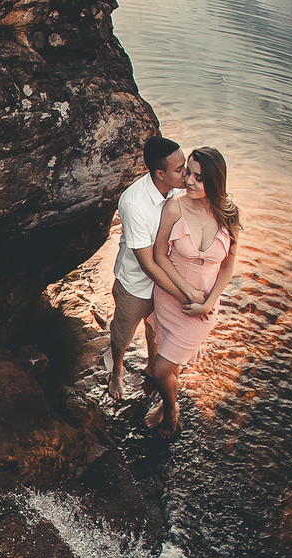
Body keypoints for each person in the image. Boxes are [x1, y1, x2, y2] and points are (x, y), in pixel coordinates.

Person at [144, 146, 241, 437]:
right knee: (168, 360)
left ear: (213, 181)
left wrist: (208, 303)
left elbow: (227, 267)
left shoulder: (229, 215)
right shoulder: (175, 207)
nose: (189, 181)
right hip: (172, 294)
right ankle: (169, 404)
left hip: (204, 306)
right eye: (188, 171)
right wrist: (187, 293)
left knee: (162, 368)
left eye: (198, 177)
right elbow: (160, 255)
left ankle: (171, 412)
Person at [107, 136, 189, 400]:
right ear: (159, 174)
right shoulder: (134, 203)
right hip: (137, 283)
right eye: (180, 169)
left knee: (156, 331)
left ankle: (154, 367)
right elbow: (147, 263)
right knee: (123, 332)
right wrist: (182, 294)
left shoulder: (177, 190)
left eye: (185, 165)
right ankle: (116, 370)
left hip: (164, 277)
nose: (186, 173)